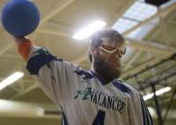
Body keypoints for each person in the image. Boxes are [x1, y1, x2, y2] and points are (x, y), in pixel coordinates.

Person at [14, 28, 154, 125]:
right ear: (93, 49)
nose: (116, 56)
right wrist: (16, 27)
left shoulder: (131, 94)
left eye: (120, 52)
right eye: (110, 48)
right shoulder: (70, 77)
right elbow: (29, 50)